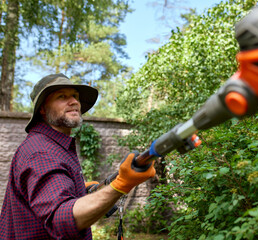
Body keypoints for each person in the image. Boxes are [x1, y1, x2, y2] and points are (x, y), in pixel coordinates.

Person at [0, 73, 156, 239]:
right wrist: (121, 184)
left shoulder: (54, 145)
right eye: (62, 96)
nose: (74, 101)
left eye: (75, 96)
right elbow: (62, 218)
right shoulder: (41, 152)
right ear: (43, 109)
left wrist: (81, 191)